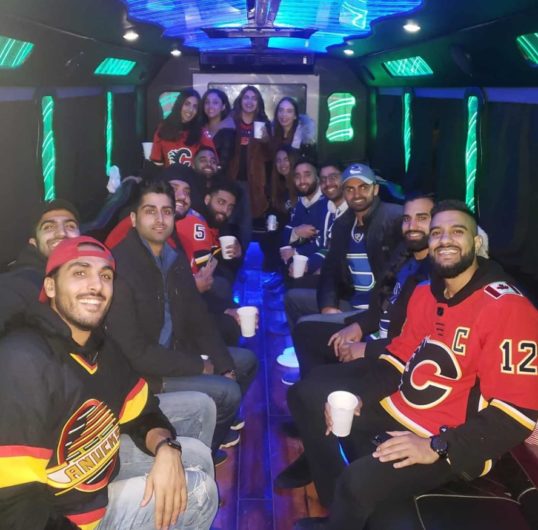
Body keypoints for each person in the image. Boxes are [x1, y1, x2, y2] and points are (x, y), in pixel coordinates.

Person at [289, 200, 538, 529]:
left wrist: (435, 446)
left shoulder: (509, 308)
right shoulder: (424, 293)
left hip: (454, 438)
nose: (444, 239)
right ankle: (342, 514)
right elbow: (396, 360)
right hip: (402, 408)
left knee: (358, 481)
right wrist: (362, 396)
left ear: (477, 243)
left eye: (457, 231)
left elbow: (517, 413)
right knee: (316, 401)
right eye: (437, 232)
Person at [0, 236, 218, 530]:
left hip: (99, 468)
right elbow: (15, 507)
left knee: (196, 456)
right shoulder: (23, 359)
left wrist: (166, 448)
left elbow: (143, 410)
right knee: (200, 491)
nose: (95, 285)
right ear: (50, 286)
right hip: (69, 516)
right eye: (80, 272)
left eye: (105, 275)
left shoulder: (102, 347)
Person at [105, 180, 258, 462]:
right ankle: (197, 460)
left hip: (174, 352)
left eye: (166, 211)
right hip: (142, 375)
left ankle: (203, 436)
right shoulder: (118, 268)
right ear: (134, 218)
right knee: (228, 393)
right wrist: (203, 366)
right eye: (150, 211)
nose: (160, 219)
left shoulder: (171, 255)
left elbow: (198, 316)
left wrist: (223, 364)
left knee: (245, 362)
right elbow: (136, 354)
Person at [284, 163, 402, 329]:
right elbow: (330, 270)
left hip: (381, 310)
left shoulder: (394, 218)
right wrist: (328, 306)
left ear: (375, 190)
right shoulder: (343, 224)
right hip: (352, 304)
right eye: (350, 189)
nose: (357, 194)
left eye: (363, 187)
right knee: (293, 299)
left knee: (307, 331)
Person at [0, 199, 81, 333]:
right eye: (49, 227)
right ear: (34, 243)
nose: (61, 233)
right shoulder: (24, 282)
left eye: (70, 226)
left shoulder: (93, 277)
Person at [227, 85, 272, 245]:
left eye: (254, 98)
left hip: (251, 181)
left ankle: (241, 254)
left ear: (258, 103)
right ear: (240, 100)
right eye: (246, 97)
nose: (249, 101)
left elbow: (268, 157)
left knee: (246, 220)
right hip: (229, 178)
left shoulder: (264, 124)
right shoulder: (231, 120)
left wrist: (267, 141)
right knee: (227, 217)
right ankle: (225, 255)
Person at [150, 89, 216, 168]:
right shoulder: (163, 129)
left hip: (193, 179)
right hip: (169, 178)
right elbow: (156, 164)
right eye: (187, 104)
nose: (191, 110)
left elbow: (212, 163)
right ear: (179, 104)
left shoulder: (202, 132)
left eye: (195, 106)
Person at [202, 88, 235, 174]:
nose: (210, 106)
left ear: (223, 107)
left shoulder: (228, 130)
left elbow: (224, 164)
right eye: (207, 102)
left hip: (217, 178)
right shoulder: (200, 126)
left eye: (215, 103)